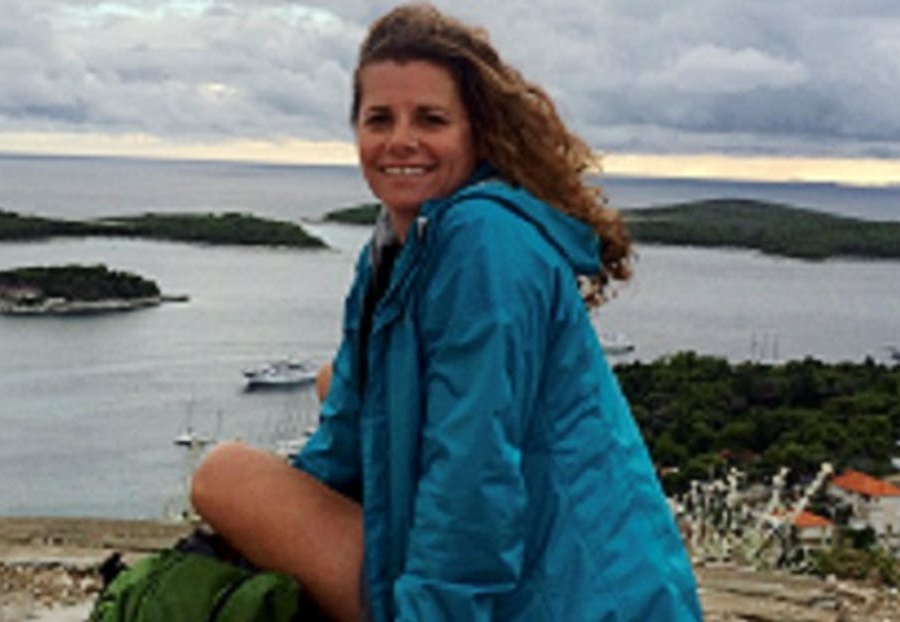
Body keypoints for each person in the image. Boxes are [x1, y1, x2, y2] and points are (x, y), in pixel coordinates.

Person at [191, 4, 703, 621]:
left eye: (430, 119)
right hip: (543, 569)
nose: (401, 139)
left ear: (475, 134)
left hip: (569, 596)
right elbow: (345, 433)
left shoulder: (484, 240)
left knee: (224, 475)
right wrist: (280, 538)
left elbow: (475, 474)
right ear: (356, 131)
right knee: (330, 386)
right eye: (380, 118)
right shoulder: (391, 247)